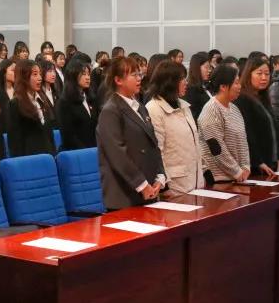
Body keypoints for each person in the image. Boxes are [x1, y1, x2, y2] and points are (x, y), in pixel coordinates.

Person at [96, 56, 165, 208]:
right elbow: (117, 154)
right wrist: (142, 185)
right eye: (134, 75)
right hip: (125, 194)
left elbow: (153, 144)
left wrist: (160, 176)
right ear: (118, 80)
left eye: (139, 74)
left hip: (148, 188)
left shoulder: (140, 107)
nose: (139, 78)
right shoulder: (111, 110)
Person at [146, 60, 203, 195]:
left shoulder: (184, 106)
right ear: (170, 82)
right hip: (174, 186)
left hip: (195, 182)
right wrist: (164, 184)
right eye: (182, 79)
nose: (186, 82)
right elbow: (157, 151)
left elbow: (195, 143)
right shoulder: (154, 109)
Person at [197, 65, 251, 184]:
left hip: (238, 178)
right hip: (218, 179)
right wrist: (236, 171)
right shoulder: (211, 110)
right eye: (236, 83)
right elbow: (217, 148)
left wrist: (246, 166)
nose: (239, 86)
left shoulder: (235, 109)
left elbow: (243, 142)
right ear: (223, 87)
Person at [233, 57, 279, 179]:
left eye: (267, 74)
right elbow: (246, 134)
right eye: (259, 74)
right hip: (254, 166)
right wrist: (257, 161)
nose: (264, 78)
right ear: (248, 75)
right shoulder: (242, 99)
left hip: (269, 161)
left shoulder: (263, 97)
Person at [5, 60, 55, 157]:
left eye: (40, 74)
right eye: (35, 74)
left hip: (48, 157)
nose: (40, 78)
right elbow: (15, 141)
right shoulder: (15, 104)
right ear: (24, 77)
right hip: (29, 159)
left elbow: (49, 134)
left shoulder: (42, 100)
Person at [55, 59, 97, 150]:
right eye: (84, 74)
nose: (88, 77)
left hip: (94, 149)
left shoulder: (91, 99)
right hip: (77, 152)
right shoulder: (64, 103)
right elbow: (68, 135)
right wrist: (85, 151)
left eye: (88, 74)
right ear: (73, 76)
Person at [183, 51, 212, 121]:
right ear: (197, 68)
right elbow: (194, 116)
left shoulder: (205, 85)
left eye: (210, 67)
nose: (209, 70)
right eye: (206, 67)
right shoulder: (191, 89)